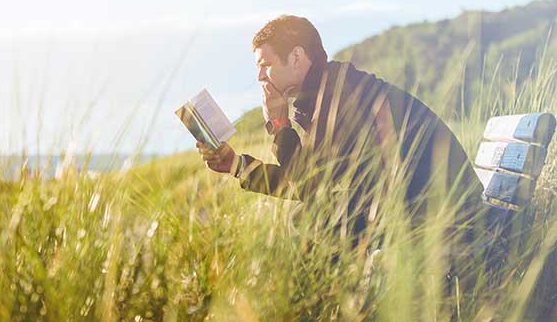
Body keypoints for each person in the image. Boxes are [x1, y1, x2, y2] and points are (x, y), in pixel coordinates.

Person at [196, 15, 484, 242]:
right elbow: (310, 182)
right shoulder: (327, 91)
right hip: (424, 209)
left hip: (447, 219)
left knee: (312, 219)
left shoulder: (340, 97)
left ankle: (341, 314)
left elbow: (310, 188)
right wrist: (235, 164)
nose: (259, 75)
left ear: (296, 58)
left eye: (265, 64)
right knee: (310, 216)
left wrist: (281, 126)